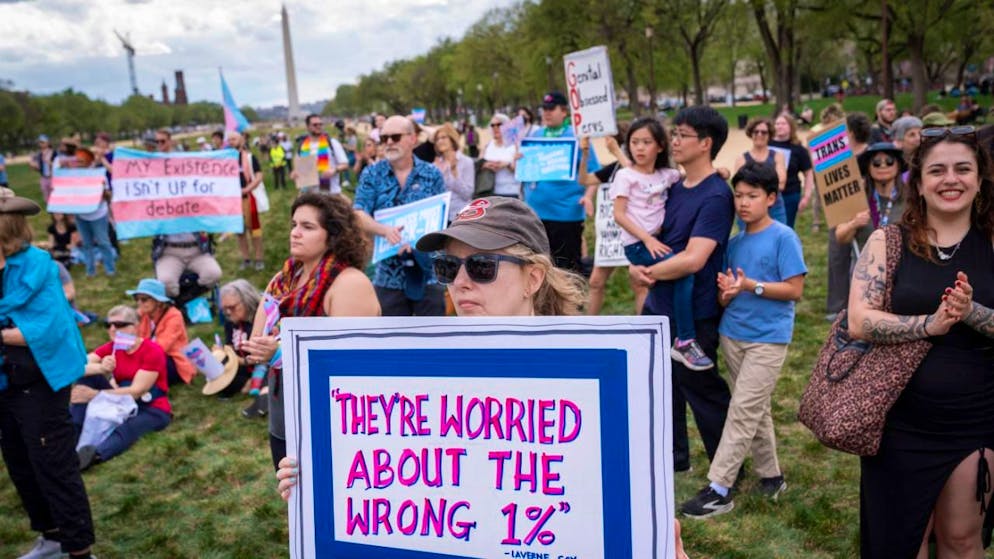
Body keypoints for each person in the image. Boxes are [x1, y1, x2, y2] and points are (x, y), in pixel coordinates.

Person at [276, 196, 587, 496]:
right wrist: (319, 476)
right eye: (449, 267)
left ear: (532, 278)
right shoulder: (415, 374)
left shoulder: (585, 377)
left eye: (481, 266)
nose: (460, 282)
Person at [848, 126, 994, 557]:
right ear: (920, 181)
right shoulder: (887, 241)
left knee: (963, 539)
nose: (951, 179)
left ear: (980, 178)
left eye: (963, 168)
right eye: (938, 170)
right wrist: (930, 324)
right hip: (898, 420)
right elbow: (859, 320)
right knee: (898, 543)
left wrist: (972, 313)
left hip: (975, 419)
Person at [680, 161, 806, 518]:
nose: (743, 203)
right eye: (738, 195)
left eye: (752, 196)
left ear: (770, 198)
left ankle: (719, 487)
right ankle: (772, 476)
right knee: (755, 408)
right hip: (732, 335)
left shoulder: (784, 237)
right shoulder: (733, 243)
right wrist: (727, 294)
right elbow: (726, 296)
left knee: (742, 410)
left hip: (768, 339)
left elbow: (795, 290)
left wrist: (751, 285)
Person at [241, 192, 381, 468]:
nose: (295, 233)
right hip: (284, 412)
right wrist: (262, 349)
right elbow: (256, 344)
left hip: (330, 420)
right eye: (294, 224)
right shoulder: (283, 280)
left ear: (333, 235)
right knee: (294, 503)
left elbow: (350, 363)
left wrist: (280, 352)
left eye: (308, 227)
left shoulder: (349, 283)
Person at [629, 106, 733, 473]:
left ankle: (726, 468)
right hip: (659, 305)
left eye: (682, 135)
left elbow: (694, 259)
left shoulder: (717, 196)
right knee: (660, 388)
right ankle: (674, 459)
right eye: (673, 133)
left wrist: (650, 272)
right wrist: (636, 265)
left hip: (694, 312)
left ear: (706, 143)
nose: (673, 140)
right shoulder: (673, 185)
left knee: (701, 388)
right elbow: (650, 230)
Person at [0, 188, 95, 559]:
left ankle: (79, 551)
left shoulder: (37, 266)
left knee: (54, 468)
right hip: (6, 383)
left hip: (41, 382)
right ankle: (52, 538)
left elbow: (46, 329)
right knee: (20, 465)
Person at [610, 117, 712, 370]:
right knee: (684, 273)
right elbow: (619, 215)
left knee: (678, 273)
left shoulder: (668, 176)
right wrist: (647, 239)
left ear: (660, 146)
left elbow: (696, 176)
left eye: (646, 142)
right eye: (634, 142)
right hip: (638, 245)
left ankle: (665, 333)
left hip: (655, 242)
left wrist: (719, 172)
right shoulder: (625, 176)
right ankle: (685, 340)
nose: (640, 148)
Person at [353, 115, 447, 316]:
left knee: (433, 340)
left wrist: (420, 244)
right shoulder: (372, 174)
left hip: (427, 273)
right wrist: (385, 231)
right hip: (388, 275)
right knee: (390, 343)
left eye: (395, 137)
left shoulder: (432, 174)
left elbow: (441, 220)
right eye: (383, 137)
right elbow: (358, 213)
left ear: (412, 139)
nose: (388, 142)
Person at [73, 305, 171, 471]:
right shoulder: (112, 348)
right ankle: (73, 435)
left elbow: (136, 391)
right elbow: (79, 364)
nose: (112, 329)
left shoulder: (151, 350)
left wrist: (95, 395)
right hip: (119, 401)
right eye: (108, 325)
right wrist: (101, 368)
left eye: (119, 325)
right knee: (87, 376)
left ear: (135, 326)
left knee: (129, 428)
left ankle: (94, 455)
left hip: (149, 406)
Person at [827, 143, 908, 321]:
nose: (883, 166)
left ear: (898, 165)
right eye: (876, 163)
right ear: (868, 169)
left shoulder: (911, 199)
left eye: (889, 161)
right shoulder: (858, 199)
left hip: (903, 273)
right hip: (864, 275)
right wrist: (853, 224)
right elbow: (841, 237)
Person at [523, 91, 601, 272]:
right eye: (544, 109)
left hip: (566, 214)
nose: (546, 113)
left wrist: (588, 197)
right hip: (536, 213)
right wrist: (519, 160)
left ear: (564, 111)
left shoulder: (576, 136)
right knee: (539, 268)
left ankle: (571, 301)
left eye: (551, 108)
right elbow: (527, 170)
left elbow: (594, 172)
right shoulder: (537, 134)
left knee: (566, 270)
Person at [151, 129, 223, 298]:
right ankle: (178, 301)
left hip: (196, 248)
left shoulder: (184, 162)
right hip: (169, 249)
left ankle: (185, 299)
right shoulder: (152, 167)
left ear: (170, 141)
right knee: (165, 282)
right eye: (157, 142)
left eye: (162, 141)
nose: (159, 146)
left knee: (213, 274)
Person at [127, 278, 195, 386]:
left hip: (172, 361)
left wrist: (136, 348)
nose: (139, 303)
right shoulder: (144, 314)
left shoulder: (174, 316)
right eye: (136, 299)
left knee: (150, 361)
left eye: (144, 299)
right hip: (148, 355)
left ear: (158, 301)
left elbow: (161, 348)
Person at [734, 118, 787, 224]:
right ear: (751, 134)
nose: (759, 134)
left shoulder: (778, 156)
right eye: (756, 131)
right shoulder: (741, 159)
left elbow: (781, 184)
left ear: (769, 135)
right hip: (748, 210)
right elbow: (738, 187)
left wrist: (752, 186)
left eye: (764, 132)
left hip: (774, 208)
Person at [215, 279, 260, 400]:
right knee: (214, 368)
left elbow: (263, 357)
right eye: (224, 309)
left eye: (232, 307)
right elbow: (230, 345)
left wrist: (240, 360)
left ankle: (251, 383)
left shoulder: (259, 320)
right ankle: (245, 384)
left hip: (259, 365)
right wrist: (221, 351)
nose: (228, 312)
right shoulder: (231, 322)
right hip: (241, 364)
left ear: (246, 301)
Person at [769, 113, 815, 229]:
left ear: (791, 127)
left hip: (789, 196)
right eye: (777, 123)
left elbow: (808, 173)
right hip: (767, 195)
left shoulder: (799, 149)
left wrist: (806, 196)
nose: (779, 126)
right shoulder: (767, 145)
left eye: (783, 124)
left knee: (785, 229)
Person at [228, 131, 265, 271]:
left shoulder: (249, 157)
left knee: (254, 230)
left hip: (248, 198)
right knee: (240, 231)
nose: (231, 141)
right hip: (233, 200)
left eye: (234, 139)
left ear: (241, 140)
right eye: (229, 139)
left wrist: (247, 189)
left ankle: (259, 258)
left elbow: (259, 176)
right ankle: (246, 259)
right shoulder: (226, 160)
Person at [292, 114, 349, 194]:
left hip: (330, 193)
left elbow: (345, 164)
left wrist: (334, 170)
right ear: (308, 127)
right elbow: (300, 168)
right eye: (315, 125)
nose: (319, 126)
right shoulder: (303, 145)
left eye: (320, 124)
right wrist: (295, 173)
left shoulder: (332, 143)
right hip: (308, 193)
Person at [433, 123, 475, 222]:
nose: (440, 141)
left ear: (452, 139)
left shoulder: (466, 162)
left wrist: (454, 172)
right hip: (441, 217)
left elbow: (467, 194)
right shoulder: (434, 165)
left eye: (443, 137)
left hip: (461, 216)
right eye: (437, 139)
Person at [481, 113, 521, 198]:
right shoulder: (487, 146)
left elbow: (520, 170)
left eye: (499, 125)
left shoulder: (515, 146)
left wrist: (507, 165)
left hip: (511, 192)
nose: (495, 128)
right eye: (492, 125)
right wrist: (487, 165)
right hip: (490, 192)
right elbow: (479, 165)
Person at [27, 134, 55, 201]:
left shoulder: (53, 152)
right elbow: (38, 168)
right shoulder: (39, 154)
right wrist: (32, 165)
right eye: (39, 142)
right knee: (46, 197)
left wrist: (49, 162)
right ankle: (50, 209)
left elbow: (57, 165)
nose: (40, 144)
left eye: (42, 142)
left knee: (54, 195)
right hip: (43, 178)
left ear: (48, 142)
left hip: (53, 177)